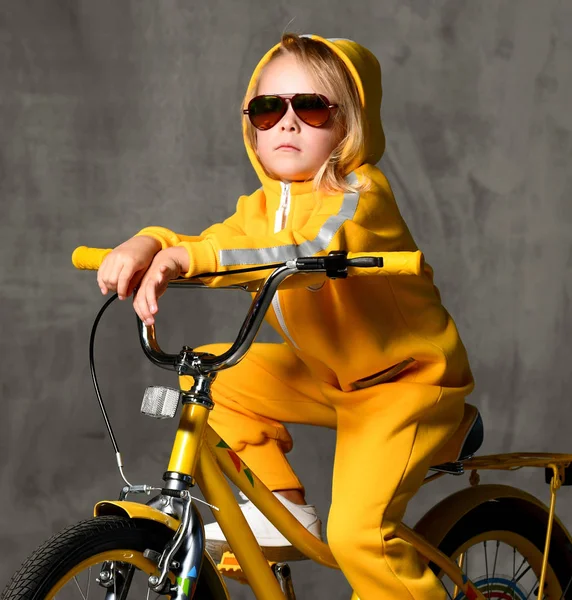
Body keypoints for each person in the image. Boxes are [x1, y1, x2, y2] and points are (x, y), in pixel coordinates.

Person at [97, 33, 474, 599]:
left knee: (359, 537)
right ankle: (285, 510)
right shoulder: (264, 206)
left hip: (406, 384)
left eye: (312, 107)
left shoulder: (358, 194)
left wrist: (187, 257)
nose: (287, 124)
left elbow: (300, 251)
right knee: (211, 376)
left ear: (350, 125)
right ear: (252, 125)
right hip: (331, 377)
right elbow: (218, 241)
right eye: (269, 109)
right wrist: (149, 243)